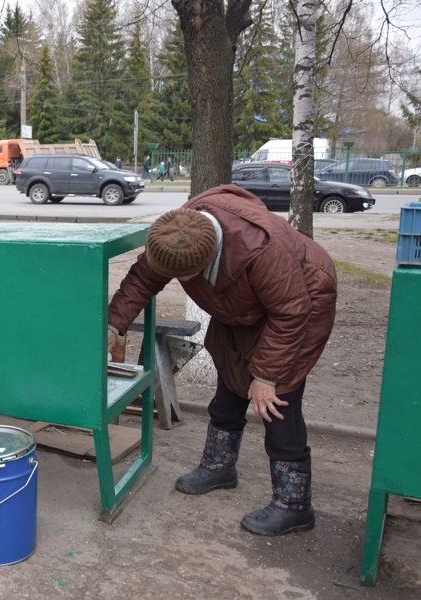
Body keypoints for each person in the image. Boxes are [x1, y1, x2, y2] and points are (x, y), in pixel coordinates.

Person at [106, 184, 337, 536]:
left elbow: (291, 313)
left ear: (204, 262)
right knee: (231, 383)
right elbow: (144, 277)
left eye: (183, 276)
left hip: (301, 303)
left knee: (277, 403)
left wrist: (267, 376)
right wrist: (113, 325)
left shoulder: (261, 252)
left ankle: (294, 505)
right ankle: (219, 468)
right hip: (244, 306)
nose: (179, 281)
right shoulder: (178, 233)